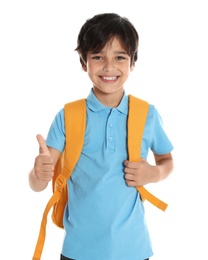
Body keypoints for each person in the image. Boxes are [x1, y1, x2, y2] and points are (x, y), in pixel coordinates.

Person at [29, 13, 174, 260]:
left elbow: (166, 160)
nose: (109, 67)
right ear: (84, 63)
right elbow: (37, 184)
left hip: (134, 250)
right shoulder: (68, 116)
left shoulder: (147, 114)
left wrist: (154, 173)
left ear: (133, 63)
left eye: (120, 57)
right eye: (98, 56)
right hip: (77, 251)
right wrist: (38, 173)